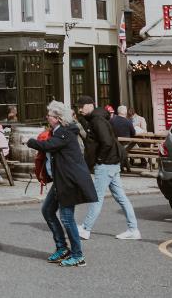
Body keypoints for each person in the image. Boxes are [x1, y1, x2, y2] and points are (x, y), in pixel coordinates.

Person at [27, 101, 97, 267]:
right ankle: (62, 248)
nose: (47, 117)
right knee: (48, 210)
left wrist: (30, 142)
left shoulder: (64, 133)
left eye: (49, 115)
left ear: (57, 118)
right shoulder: (58, 131)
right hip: (61, 180)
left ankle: (78, 255)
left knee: (66, 218)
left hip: (69, 182)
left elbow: (49, 146)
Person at [76, 96, 139, 240]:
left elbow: (107, 142)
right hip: (112, 163)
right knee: (121, 197)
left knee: (96, 198)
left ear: (91, 105)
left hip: (105, 164)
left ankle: (86, 228)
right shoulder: (98, 118)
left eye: (81, 106)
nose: (79, 109)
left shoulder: (97, 120)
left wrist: (99, 159)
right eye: (78, 106)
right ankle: (133, 229)